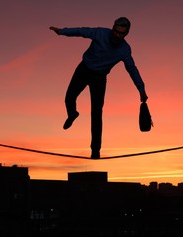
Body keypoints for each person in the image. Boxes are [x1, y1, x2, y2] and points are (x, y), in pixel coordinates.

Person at [49, 17, 148, 159]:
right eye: (116, 32)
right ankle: (72, 114)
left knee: (96, 113)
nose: (117, 35)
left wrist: (141, 89)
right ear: (113, 28)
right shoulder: (100, 33)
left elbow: (132, 69)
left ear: (126, 34)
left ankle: (95, 149)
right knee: (69, 97)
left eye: (122, 34)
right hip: (83, 70)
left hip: (99, 78)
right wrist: (62, 31)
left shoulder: (125, 50)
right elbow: (82, 31)